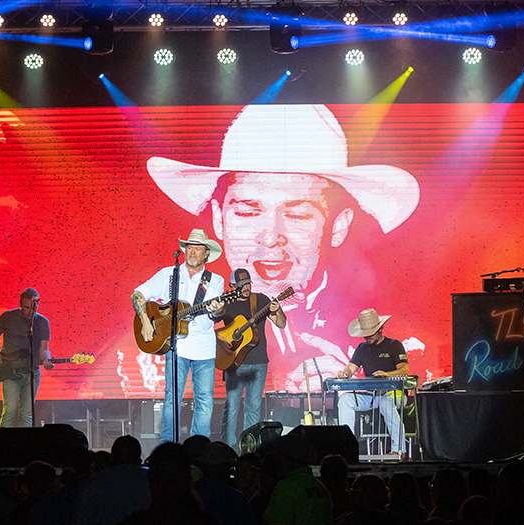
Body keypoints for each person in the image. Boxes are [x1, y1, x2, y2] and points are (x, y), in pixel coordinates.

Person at [147, 104, 420, 391]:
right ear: (219, 219)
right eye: (248, 212)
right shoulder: (212, 298)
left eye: (297, 214)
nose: (270, 237)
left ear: (338, 227)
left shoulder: (385, 318)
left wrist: (345, 383)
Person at [132, 229, 225, 443]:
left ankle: (199, 447)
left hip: (204, 348)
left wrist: (219, 310)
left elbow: (216, 315)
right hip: (176, 347)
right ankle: (168, 446)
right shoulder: (169, 274)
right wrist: (145, 320)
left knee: (204, 401)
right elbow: (138, 293)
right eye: (189, 248)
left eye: (198, 249)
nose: (192, 252)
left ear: (206, 253)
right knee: (172, 399)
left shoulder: (215, 281)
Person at [212, 268, 286, 449]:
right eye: (241, 285)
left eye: (248, 283)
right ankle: (228, 449)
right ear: (232, 286)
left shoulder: (260, 300)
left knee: (253, 408)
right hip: (233, 362)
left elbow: (281, 323)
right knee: (232, 408)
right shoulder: (226, 302)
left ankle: (249, 450)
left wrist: (278, 310)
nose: (246, 287)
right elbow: (212, 325)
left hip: (259, 362)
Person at [334, 308, 408, 455]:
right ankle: (346, 449)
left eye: (371, 333)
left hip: (395, 393)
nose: (367, 337)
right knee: (345, 400)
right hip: (372, 396)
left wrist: (386, 375)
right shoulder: (362, 348)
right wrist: (344, 373)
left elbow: (404, 370)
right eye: (365, 334)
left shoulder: (394, 345)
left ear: (380, 329)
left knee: (386, 402)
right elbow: (350, 368)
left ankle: (398, 449)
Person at [0, 287, 53, 428]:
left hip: (32, 373)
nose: (29, 312)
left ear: (38, 304)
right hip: (10, 372)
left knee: (26, 414)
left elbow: (44, 349)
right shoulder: (8, 317)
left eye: (32, 308)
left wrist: (46, 360)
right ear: (20, 304)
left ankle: (25, 442)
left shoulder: (42, 322)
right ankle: (4, 441)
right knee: (10, 411)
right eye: (26, 308)